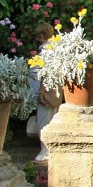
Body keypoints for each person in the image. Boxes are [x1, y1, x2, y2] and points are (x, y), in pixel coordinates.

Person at [31, 23, 62, 161]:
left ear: (41, 36)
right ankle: (47, 150)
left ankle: (46, 151)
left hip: (47, 92)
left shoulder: (47, 51)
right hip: (53, 91)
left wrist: (41, 91)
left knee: (44, 122)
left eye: (38, 36)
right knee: (50, 120)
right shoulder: (55, 49)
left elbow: (45, 73)